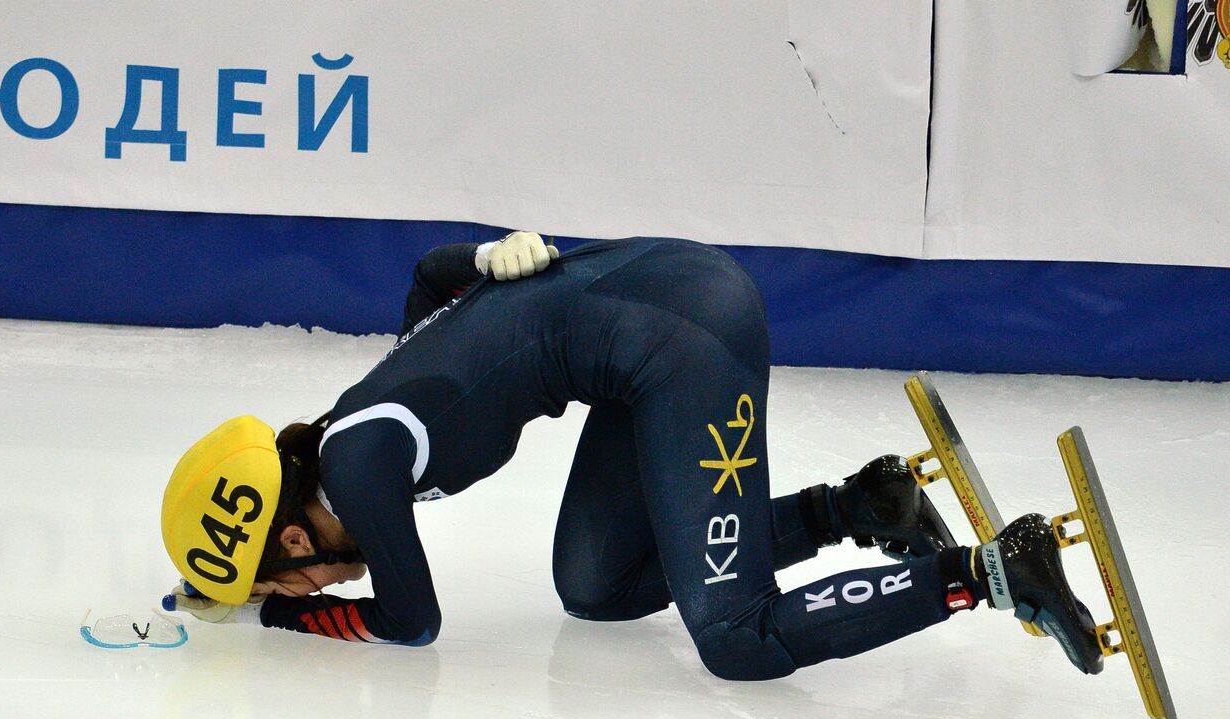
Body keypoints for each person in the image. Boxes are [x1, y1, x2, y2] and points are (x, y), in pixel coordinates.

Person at [160, 233, 1103, 679]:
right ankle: (859, 508)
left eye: (276, 583)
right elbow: (427, 282)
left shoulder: (360, 474)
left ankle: (993, 572)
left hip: (682, 332)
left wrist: (292, 625)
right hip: (639, 339)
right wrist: (480, 262)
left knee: (739, 638)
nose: (297, 592)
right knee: (597, 587)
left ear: (291, 537)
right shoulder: (349, 429)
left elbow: (412, 622)